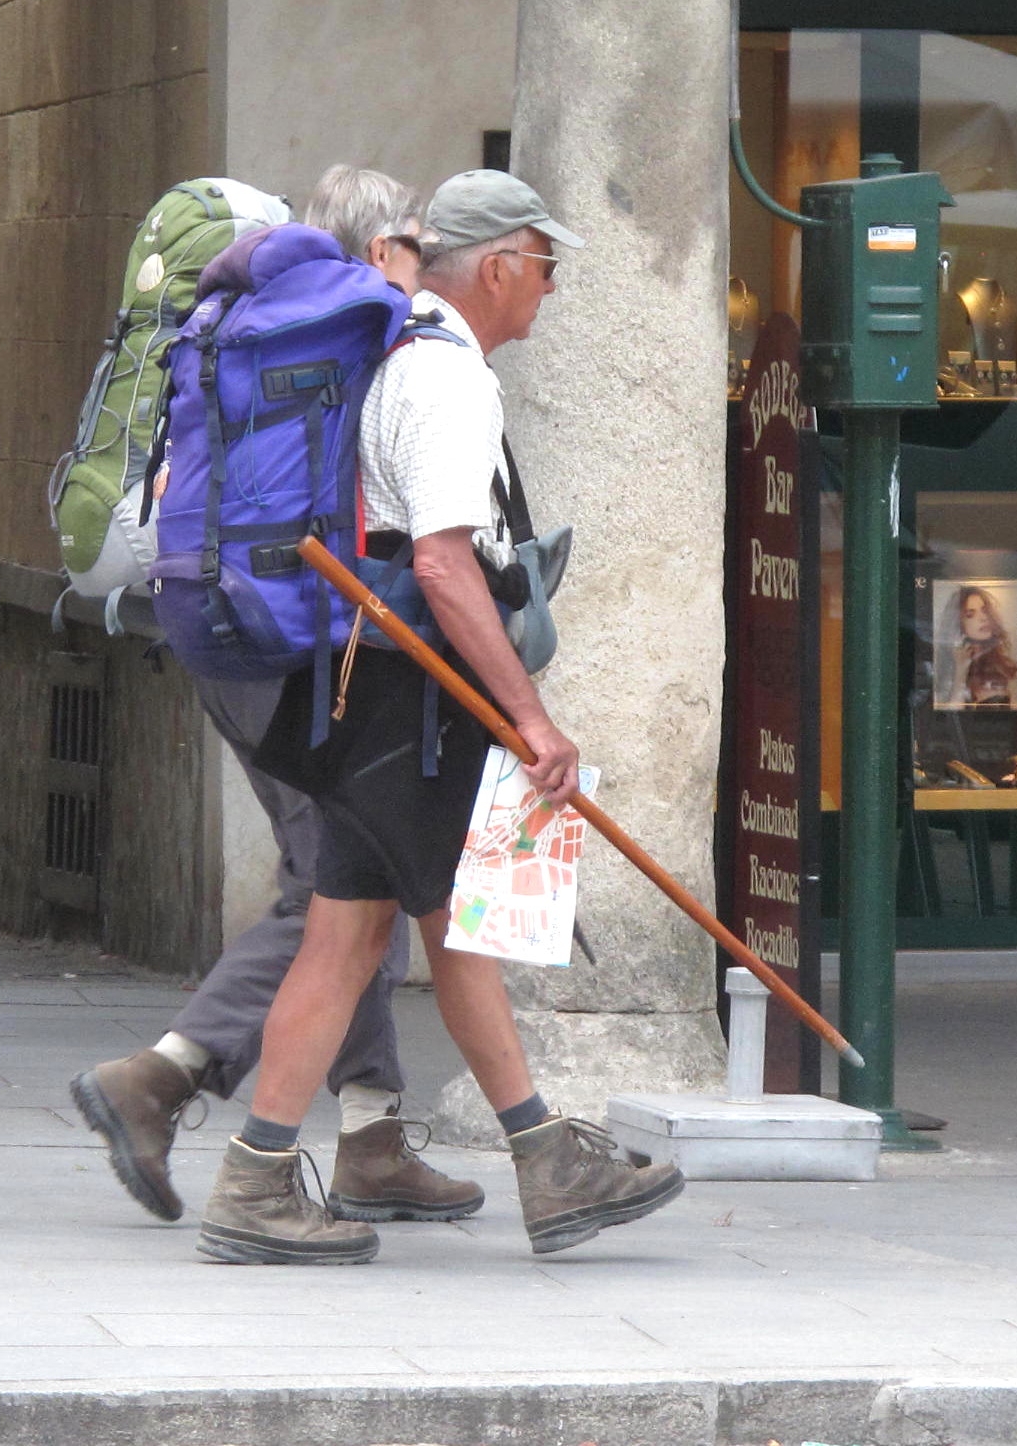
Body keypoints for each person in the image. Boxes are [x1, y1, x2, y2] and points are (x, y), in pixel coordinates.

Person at [193, 169, 687, 1265]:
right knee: (443, 924)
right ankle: (543, 1158)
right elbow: (442, 560)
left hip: (360, 686)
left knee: (353, 929)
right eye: (545, 265)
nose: (550, 290)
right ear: (500, 263)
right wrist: (532, 717)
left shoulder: (398, 348)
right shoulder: (446, 377)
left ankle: (258, 1177)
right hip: (410, 697)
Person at [71, 167, 485, 1230]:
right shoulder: (354, 337)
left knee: (362, 884)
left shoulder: (251, 329)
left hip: (223, 634)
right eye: (404, 240)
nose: (412, 259)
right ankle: (158, 1076)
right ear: (373, 247)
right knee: (333, 895)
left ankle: (372, 1133)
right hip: (293, 651)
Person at [948, 585, 1017, 708]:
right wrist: (961, 669)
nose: (983, 618)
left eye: (985, 611)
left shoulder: (1006, 667)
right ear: (959, 624)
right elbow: (950, 717)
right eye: (970, 614)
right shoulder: (949, 668)